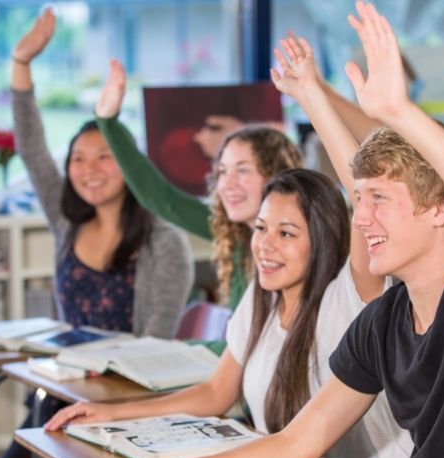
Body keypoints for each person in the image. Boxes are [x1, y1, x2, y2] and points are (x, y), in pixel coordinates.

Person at [107, 3, 444, 458]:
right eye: (359, 200)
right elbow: (295, 443)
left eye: (379, 202)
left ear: (441, 208)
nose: (361, 218)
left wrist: (399, 112)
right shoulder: (384, 321)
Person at [46, 170, 417, 458]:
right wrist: (111, 412)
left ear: (323, 240)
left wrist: (311, 93)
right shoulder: (263, 293)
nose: (265, 246)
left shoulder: (348, 296)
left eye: (286, 234)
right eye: (260, 228)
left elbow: (356, 182)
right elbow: (215, 393)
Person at [0, 10, 192, 458]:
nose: (90, 169)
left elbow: (154, 348)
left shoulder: (164, 242)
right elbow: (32, 147)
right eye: (78, 158)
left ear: (130, 163)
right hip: (61, 392)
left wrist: (101, 397)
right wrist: (21, 63)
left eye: (106, 156)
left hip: (127, 406)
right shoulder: (66, 221)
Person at [95, 60, 303, 309]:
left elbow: (257, 347)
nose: (228, 184)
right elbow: (162, 200)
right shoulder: (235, 232)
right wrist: (108, 122)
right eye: (223, 172)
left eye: (243, 170)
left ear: (275, 175)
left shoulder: (297, 249)